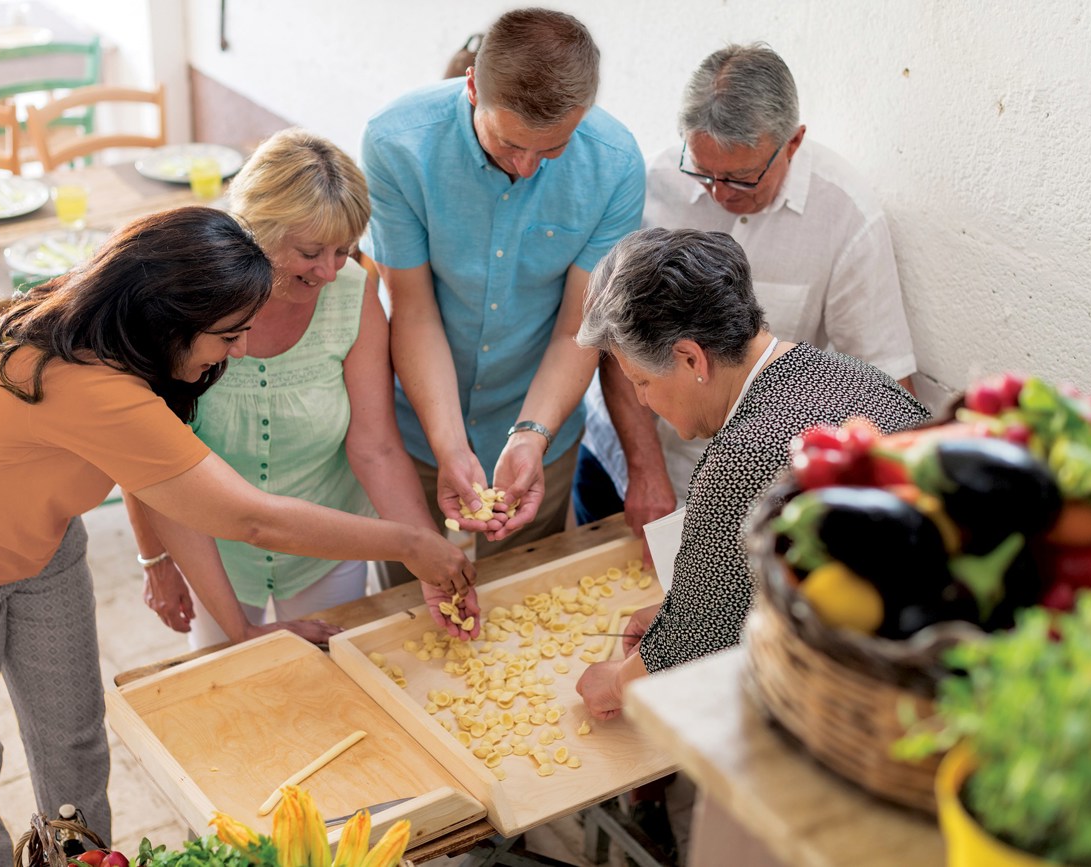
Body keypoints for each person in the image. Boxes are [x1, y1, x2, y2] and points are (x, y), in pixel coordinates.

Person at [0, 207, 473, 867]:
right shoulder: (88, 381)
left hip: (37, 533)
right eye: (228, 334)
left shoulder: (131, 343)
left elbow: (172, 492)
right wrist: (410, 541)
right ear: (169, 317)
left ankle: (81, 860)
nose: (237, 350)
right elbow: (251, 517)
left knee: (74, 735)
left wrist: (241, 629)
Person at [130, 130, 478, 647]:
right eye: (311, 252)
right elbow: (141, 453)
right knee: (227, 679)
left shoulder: (352, 292)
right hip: (209, 550)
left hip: (329, 545)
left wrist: (428, 563)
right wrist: (156, 559)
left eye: (345, 250)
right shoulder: (183, 298)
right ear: (255, 229)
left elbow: (377, 447)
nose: (331, 271)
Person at [574, 227, 928, 720]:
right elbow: (743, 589)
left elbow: (699, 642)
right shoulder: (852, 375)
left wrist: (615, 683)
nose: (642, 401)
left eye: (641, 381)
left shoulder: (740, 458)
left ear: (691, 358)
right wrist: (681, 612)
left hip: (863, 703)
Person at [576, 42, 917, 552]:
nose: (719, 192)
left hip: (752, 487)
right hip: (629, 454)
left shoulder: (847, 217)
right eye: (704, 171)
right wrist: (644, 469)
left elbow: (883, 387)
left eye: (741, 177)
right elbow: (612, 338)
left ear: (793, 142)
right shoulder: (654, 185)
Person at [360, 7, 645, 585]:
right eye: (511, 143)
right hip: (415, 421)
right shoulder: (396, 144)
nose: (526, 165)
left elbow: (578, 327)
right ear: (472, 88)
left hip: (543, 420)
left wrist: (529, 435)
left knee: (523, 597)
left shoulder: (615, 166)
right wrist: (448, 445)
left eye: (553, 150)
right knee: (406, 599)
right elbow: (412, 311)